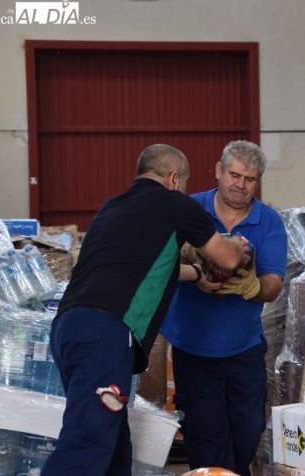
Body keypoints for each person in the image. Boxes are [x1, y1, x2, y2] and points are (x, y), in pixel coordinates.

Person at [42, 144, 250, 476]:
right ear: (173, 178)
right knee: (88, 441)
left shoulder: (112, 208)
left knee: (112, 443)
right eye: (184, 182)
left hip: (69, 329)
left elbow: (142, 263)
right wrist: (236, 247)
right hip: (105, 333)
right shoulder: (175, 204)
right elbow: (225, 259)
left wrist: (195, 275)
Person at [160, 140, 288, 476]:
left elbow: (274, 282)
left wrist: (253, 287)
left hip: (243, 347)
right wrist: (194, 274)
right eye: (234, 174)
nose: (240, 184)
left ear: (257, 182)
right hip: (194, 346)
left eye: (249, 179)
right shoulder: (189, 208)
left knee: (249, 430)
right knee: (205, 436)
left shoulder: (269, 221)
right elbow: (159, 266)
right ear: (219, 170)